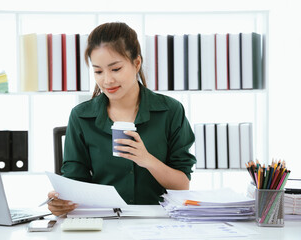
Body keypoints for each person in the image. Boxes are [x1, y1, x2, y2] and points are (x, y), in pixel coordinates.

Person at [47, 22, 196, 216]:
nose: (107, 80)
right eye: (98, 71)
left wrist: (147, 160)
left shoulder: (170, 111)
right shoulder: (81, 117)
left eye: (115, 69)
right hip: (103, 220)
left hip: (157, 221)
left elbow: (182, 184)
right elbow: (75, 184)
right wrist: (60, 202)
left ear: (136, 63)